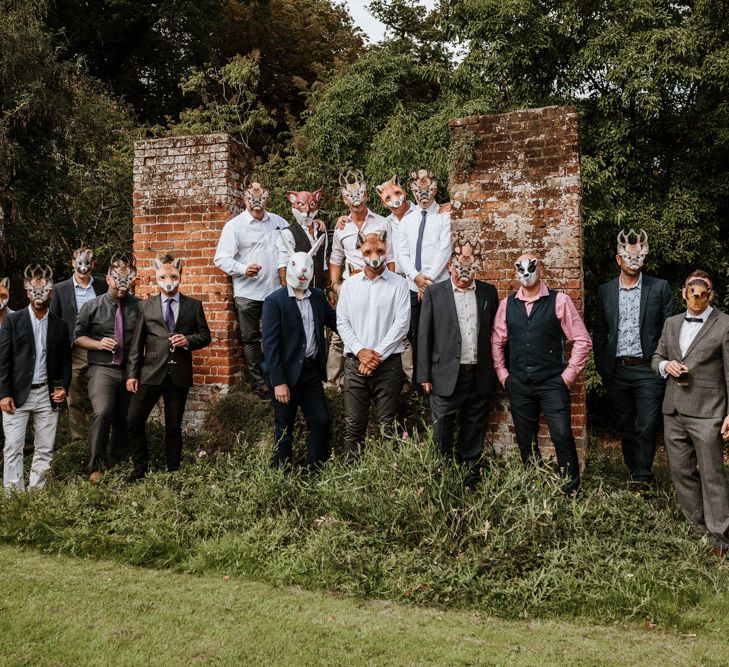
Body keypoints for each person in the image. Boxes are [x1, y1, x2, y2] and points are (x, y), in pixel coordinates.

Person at [491, 253, 592, 495]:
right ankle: (533, 486)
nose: (526, 274)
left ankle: (570, 489)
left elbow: (582, 340)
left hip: (552, 382)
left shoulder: (560, 301)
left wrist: (568, 376)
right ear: (515, 272)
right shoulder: (507, 305)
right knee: (525, 440)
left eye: (530, 268)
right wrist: (503, 374)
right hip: (519, 383)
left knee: (562, 435)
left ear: (540, 270)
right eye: (521, 269)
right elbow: (497, 342)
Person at [652, 270, 729, 557]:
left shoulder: (724, 324)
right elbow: (657, 357)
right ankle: (699, 532)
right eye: (691, 289)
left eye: (703, 290)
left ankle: (721, 540)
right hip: (673, 410)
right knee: (681, 473)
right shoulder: (671, 323)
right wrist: (665, 366)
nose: (696, 294)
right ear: (683, 292)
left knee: (712, 476)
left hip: (709, 412)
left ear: (710, 293)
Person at [594, 229, 674, 490]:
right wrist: (602, 367)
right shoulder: (605, 291)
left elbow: (669, 328)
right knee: (626, 426)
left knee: (646, 424)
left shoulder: (659, 287)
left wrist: (662, 364)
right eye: (628, 256)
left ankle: (642, 478)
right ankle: (634, 470)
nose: (633, 260)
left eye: (638, 255)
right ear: (619, 259)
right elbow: (600, 330)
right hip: (617, 370)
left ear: (644, 256)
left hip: (647, 370)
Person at [418, 235, 498, 487]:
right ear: (451, 264)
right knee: (441, 432)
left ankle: (470, 483)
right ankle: (439, 483)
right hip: (445, 374)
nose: (465, 268)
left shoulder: (488, 292)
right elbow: (424, 334)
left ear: (477, 264)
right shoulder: (434, 293)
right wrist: (424, 375)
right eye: (460, 261)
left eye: (470, 262)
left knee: (474, 431)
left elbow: (494, 333)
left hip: (479, 373)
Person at [126, 255, 211, 481]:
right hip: (150, 372)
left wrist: (188, 340)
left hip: (178, 374)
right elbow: (136, 344)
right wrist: (132, 375)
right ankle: (140, 467)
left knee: (173, 427)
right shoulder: (145, 306)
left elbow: (205, 336)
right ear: (156, 277)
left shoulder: (194, 306)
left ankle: (172, 470)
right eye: (163, 276)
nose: (168, 280)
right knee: (134, 420)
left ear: (180, 275)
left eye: (173, 276)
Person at [262, 234, 336, 469]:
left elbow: (337, 322)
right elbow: (270, 345)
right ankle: (280, 475)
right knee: (284, 427)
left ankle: (314, 471)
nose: (303, 273)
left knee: (321, 421)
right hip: (286, 373)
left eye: (308, 268)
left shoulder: (318, 297)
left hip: (311, 372)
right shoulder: (275, 301)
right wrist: (279, 381)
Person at [336, 230, 410, 465]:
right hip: (355, 363)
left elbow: (402, 324)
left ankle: (390, 477)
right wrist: (360, 352)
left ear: (386, 248)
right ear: (360, 251)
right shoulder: (349, 286)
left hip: (388, 365)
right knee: (353, 425)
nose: (374, 257)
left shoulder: (399, 284)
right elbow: (342, 322)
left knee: (388, 424)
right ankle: (351, 479)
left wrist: (375, 355)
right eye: (368, 252)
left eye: (379, 251)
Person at [214, 177, 287, 398]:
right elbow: (221, 259)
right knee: (251, 339)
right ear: (245, 197)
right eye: (252, 197)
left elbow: (297, 242)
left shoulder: (279, 222)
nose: (257, 202)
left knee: (277, 337)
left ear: (267, 197)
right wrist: (243, 268)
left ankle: (278, 378)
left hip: (275, 292)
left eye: (261, 197)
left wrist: (318, 225)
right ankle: (259, 383)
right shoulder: (234, 226)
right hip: (248, 293)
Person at [0, 265, 71, 491]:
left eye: (44, 290)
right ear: (27, 291)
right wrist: (4, 393)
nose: (38, 295)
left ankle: (37, 493)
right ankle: (14, 495)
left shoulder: (60, 325)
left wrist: (64, 387)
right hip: (17, 394)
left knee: (45, 448)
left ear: (50, 292)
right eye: (33, 290)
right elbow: (3, 360)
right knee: (12, 446)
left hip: (46, 394)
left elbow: (66, 361)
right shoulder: (13, 321)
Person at [74, 255, 140, 484]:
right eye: (117, 278)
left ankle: (118, 461)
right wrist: (98, 343)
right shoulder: (92, 306)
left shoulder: (139, 306)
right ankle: (94, 465)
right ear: (108, 278)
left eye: (127, 279)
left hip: (130, 370)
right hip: (102, 368)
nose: (122, 283)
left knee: (126, 417)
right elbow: (78, 337)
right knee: (102, 411)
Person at [326, 169, 394, 386]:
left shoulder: (382, 222)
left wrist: (390, 283)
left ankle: (394, 377)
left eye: (359, 194)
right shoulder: (341, 227)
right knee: (341, 332)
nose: (355, 200)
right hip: (352, 285)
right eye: (349, 196)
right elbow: (336, 258)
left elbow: (390, 255)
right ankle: (333, 382)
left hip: (379, 282)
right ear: (344, 198)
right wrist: (335, 285)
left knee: (384, 327)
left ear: (366, 195)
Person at [396, 169, 451, 383]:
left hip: (438, 284)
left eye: (427, 190)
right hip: (413, 286)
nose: (423, 195)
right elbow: (402, 253)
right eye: (419, 191)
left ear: (435, 188)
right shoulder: (406, 222)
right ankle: (420, 381)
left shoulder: (444, 217)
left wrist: (427, 282)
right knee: (416, 333)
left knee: (440, 332)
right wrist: (416, 277)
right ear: (412, 190)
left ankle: (441, 379)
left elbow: (445, 249)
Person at [49, 247, 108, 439]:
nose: (84, 266)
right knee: (74, 396)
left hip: (100, 347)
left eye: (88, 262)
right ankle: (79, 441)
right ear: (72, 263)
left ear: (93, 264)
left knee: (102, 394)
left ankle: (101, 438)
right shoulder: (59, 289)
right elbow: (54, 321)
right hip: (73, 349)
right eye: (79, 262)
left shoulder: (103, 286)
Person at [277, 188, 328, 290]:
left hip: (318, 291)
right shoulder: (288, 233)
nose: (307, 209)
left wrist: (329, 289)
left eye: (312, 204)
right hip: (297, 292)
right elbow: (283, 266)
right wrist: (288, 294)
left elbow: (324, 263)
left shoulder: (321, 231)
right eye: (301, 204)